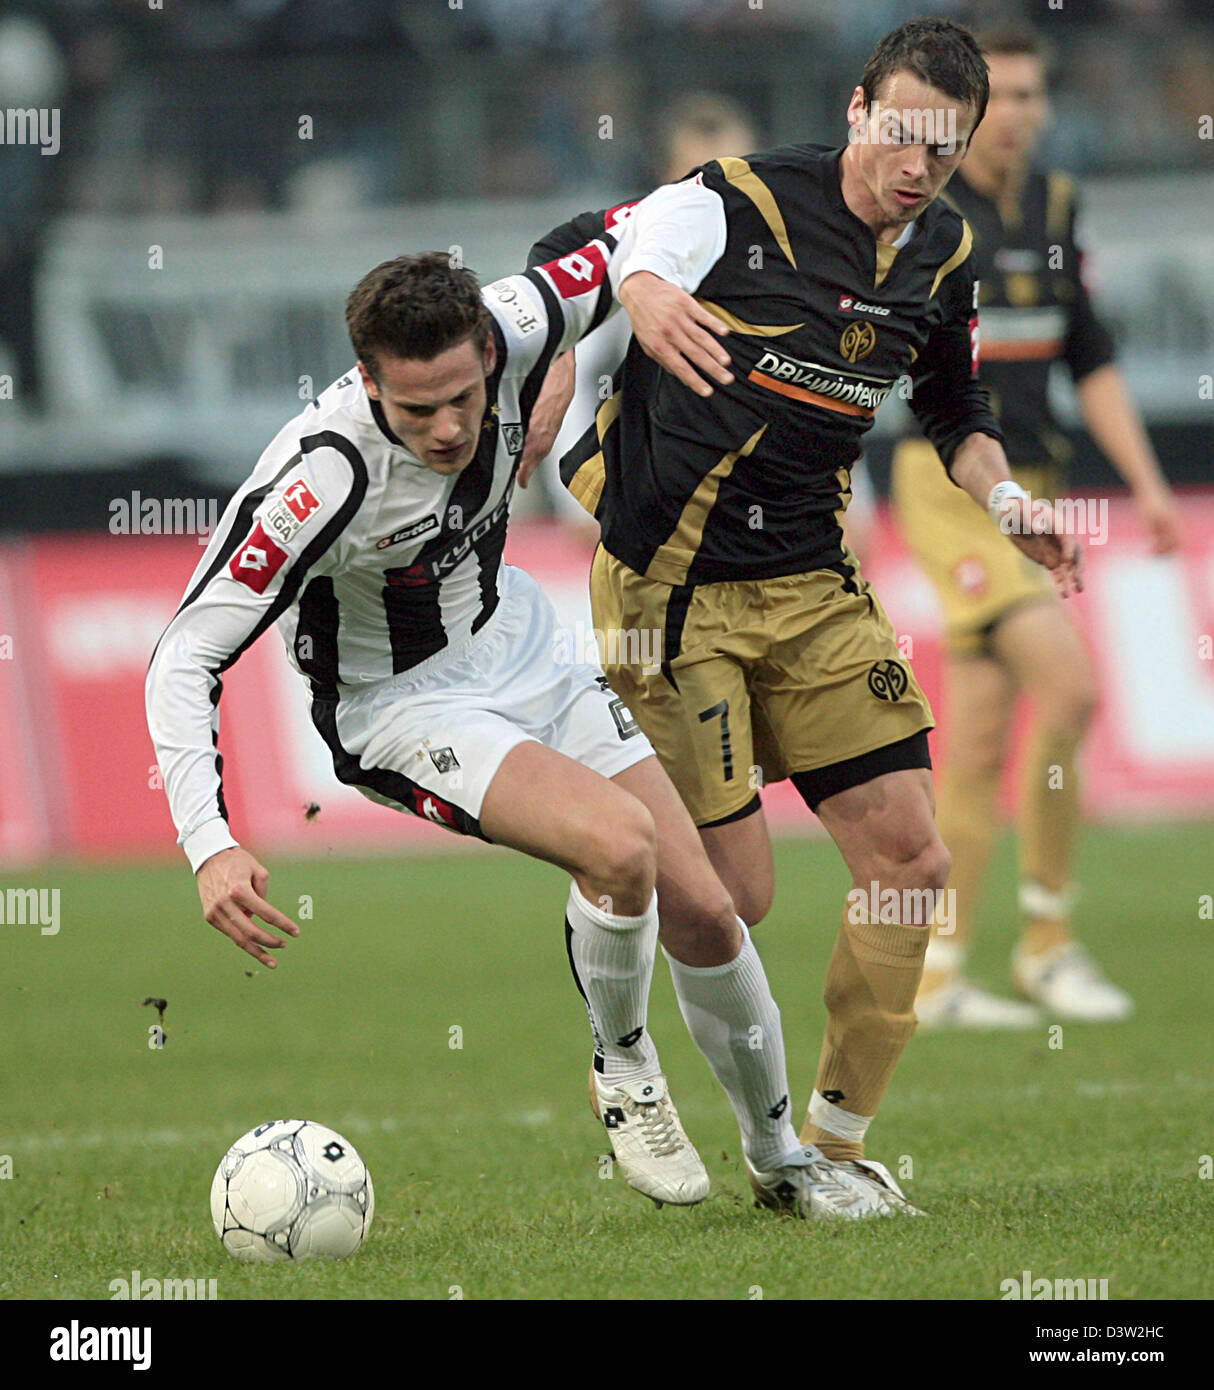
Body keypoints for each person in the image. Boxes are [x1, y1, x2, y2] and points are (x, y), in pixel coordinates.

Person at [145, 245, 889, 1221]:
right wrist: (210, 842)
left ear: (488, 353)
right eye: (416, 412)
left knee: (713, 907)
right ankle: (621, 1067)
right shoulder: (316, 479)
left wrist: (594, 338)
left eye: (463, 396)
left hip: (522, 643)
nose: (449, 428)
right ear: (367, 379)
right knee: (619, 846)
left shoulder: (521, 325)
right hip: (403, 708)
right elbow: (182, 657)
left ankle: (781, 1164)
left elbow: (628, 230)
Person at [525, 16, 1082, 1207]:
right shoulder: (736, 203)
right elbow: (584, 245)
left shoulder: (941, 252)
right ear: (854, 111)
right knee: (734, 899)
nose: (916, 165)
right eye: (899, 134)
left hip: (811, 586)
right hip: (667, 589)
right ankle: (618, 1033)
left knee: (909, 857)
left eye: (944, 145)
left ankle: (825, 1145)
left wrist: (1002, 500)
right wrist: (596, 327)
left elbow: (954, 401)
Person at [890, 27, 1181, 1029]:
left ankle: (935, 971)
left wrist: (1143, 484)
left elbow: (1086, 357)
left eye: (1027, 94)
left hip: (1036, 487)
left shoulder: (1055, 206)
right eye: (998, 97)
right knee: (1071, 684)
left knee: (973, 739)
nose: (1015, 113)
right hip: (951, 489)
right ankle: (1047, 941)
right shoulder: (923, 214)